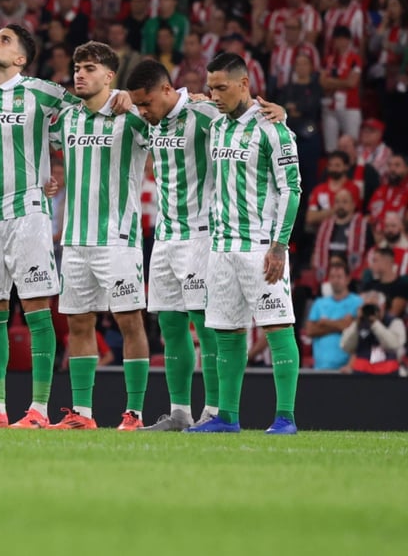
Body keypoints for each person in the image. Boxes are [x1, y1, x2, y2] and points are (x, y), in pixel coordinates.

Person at [0, 24, 91, 429]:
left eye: (5, 39)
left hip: (28, 213)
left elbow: (87, 111)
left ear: (20, 58)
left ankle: (38, 409)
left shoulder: (42, 91)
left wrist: (62, 172)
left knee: (36, 310)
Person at [190, 52, 303, 435]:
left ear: (244, 84)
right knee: (227, 332)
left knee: (277, 327)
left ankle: (285, 418)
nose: (215, 94)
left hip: (259, 247)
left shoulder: (273, 128)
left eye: (222, 87)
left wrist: (279, 245)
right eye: (211, 88)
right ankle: (228, 417)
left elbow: (292, 188)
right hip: (220, 248)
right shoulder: (217, 126)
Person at [47, 42, 152, 431]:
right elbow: (41, 145)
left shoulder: (132, 118)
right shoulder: (68, 117)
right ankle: (82, 414)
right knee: (78, 324)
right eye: (77, 67)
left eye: (89, 68)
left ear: (110, 76)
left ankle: (135, 413)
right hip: (74, 239)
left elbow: (169, 129)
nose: (79, 74)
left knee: (129, 322)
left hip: (117, 239)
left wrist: (134, 101)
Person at [125, 60, 221, 430]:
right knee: (170, 324)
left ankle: (213, 412)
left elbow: (247, 123)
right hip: (165, 236)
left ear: (167, 90)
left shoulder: (204, 113)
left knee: (205, 324)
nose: (143, 111)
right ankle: (180, 412)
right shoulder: (151, 119)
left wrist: (275, 111)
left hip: (201, 235)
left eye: (147, 103)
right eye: (138, 105)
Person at [305, 258, 360, 372]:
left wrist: (325, 323)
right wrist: (341, 325)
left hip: (346, 369)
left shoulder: (357, 302)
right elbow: (310, 330)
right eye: (332, 277)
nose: (335, 280)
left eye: (339, 277)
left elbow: (354, 329)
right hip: (320, 368)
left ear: (348, 279)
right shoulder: (319, 303)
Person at [339, 296, 406, 375]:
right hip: (362, 372)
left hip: (388, 372)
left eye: (373, 306)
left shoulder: (394, 322)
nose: (370, 310)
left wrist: (375, 323)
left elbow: (394, 346)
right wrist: (356, 324)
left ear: (382, 306)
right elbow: (345, 346)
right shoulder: (358, 323)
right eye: (366, 306)